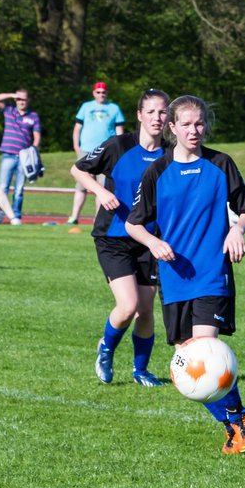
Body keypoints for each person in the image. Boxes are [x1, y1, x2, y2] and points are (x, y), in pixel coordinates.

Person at [125, 95, 245, 454]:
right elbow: (132, 224)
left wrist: (236, 231)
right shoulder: (156, 172)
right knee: (189, 366)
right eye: (186, 124)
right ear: (172, 128)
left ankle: (237, 421)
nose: (194, 130)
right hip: (174, 278)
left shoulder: (221, 164)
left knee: (206, 353)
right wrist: (153, 243)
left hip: (212, 275)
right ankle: (234, 418)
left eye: (199, 123)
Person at [73, 89, 170, 387]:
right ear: (139, 115)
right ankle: (106, 348)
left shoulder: (171, 154)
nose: (157, 117)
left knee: (145, 309)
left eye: (163, 112)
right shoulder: (118, 145)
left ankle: (141, 371)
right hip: (113, 236)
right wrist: (101, 191)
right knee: (127, 306)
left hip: (148, 240)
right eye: (151, 112)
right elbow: (78, 169)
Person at [68, 81, 127, 224]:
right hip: (86, 150)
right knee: (81, 185)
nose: (101, 95)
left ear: (107, 93)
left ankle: (97, 219)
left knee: (102, 187)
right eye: (98, 92)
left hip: (107, 153)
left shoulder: (114, 108)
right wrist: (76, 146)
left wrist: (119, 150)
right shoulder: (86, 106)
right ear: (94, 93)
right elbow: (77, 128)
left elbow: (119, 131)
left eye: (104, 92)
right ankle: (74, 217)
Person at [0, 88, 42, 221]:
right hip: (8, 154)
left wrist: (33, 150)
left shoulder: (33, 116)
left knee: (19, 190)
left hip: (23, 157)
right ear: (15, 100)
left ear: (28, 100)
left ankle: (16, 216)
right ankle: (0, 216)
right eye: (19, 99)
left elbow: (37, 136)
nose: (21, 102)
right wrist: (11, 94)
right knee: (3, 188)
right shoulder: (9, 110)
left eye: (24, 99)